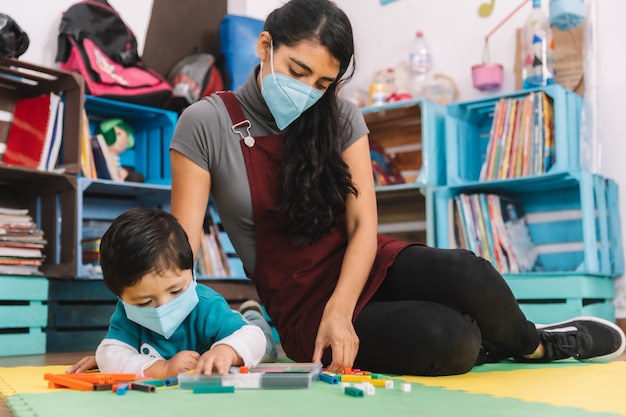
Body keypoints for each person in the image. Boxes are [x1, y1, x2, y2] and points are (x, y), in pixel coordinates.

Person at [71, 0, 625, 377]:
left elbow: (364, 227)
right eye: (297, 69)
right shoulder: (205, 122)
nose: (308, 91)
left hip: (362, 265)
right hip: (300, 304)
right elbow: (178, 254)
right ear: (265, 47)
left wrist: (345, 306)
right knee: (449, 340)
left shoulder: (339, 117)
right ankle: (490, 337)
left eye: (322, 81)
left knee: (466, 270)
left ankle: (533, 344)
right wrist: (124, 342)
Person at [86, 207, 274, 379]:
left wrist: (226, 351)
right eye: (144, 303)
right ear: (121, 297)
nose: (163, 307)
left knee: (265, 346)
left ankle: (253, 314)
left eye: (176, 291)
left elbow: (252, 337)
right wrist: (163, 368)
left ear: (191, 273)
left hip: (237, 330)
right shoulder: (127, 314)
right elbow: (109, 355)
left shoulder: (206, 304)